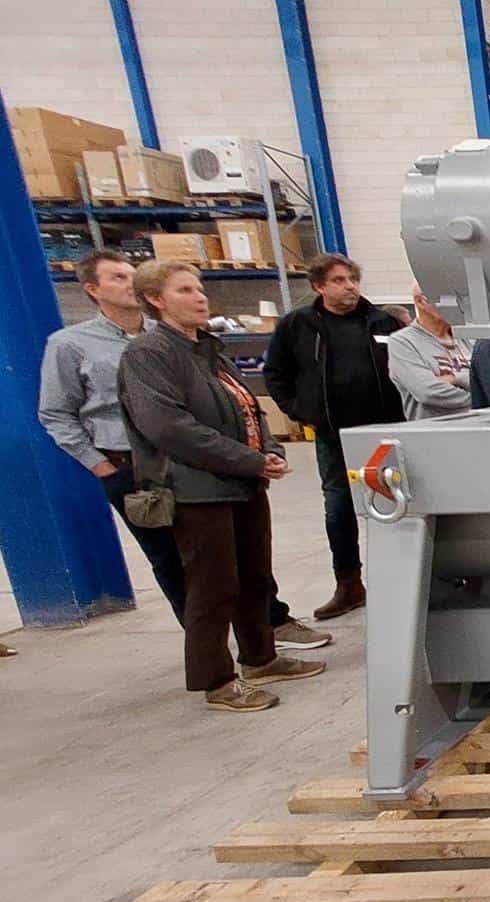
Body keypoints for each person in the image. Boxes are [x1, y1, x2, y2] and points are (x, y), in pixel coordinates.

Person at [36, 250, 330, 650]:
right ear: (92, 289)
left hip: (207, 463)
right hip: (135, 466)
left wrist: (260, 450)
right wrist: (100, 464)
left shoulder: (187, 341)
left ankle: (267, 631)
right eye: (118, 277)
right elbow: (58, 412)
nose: (130, 281)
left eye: (132, 273)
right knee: (176, 562)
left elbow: (238, 401)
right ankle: (210, 652)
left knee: (240, 560)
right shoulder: (73, 345)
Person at [119, 260, 327, 712]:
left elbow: (249, 408)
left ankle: (261, 658)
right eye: (185, 290)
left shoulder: (209, 350)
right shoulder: (148, 354)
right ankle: (216, 680)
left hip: (243, 483)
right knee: (212, 587)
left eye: (199, 288)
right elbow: (169, 427)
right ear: (155, 299)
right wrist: (249, 460)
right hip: (197, 490)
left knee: (254, 577)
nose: (199, 297)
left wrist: (269, 449)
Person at [264, 254, 407, 620]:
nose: (350, 287)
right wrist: (300, 411)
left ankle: (403, 582)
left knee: (396, 505)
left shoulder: (383, 321)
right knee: (339, 508)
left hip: (386, 432)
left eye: (353, 279)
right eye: (340, 281)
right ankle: (349, 585)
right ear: (319, 286)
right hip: (334, 435)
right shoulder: (298, 326)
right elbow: (276, 373)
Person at [385, 285, 472, 419]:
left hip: (479, 426)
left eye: (458, 299)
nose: (456, 306)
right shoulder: (402, 342)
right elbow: (427, 392)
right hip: (435, 429)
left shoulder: (468, 338)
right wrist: (480, 399)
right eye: (447, 299)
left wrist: (455, 378)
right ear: (420, 302)